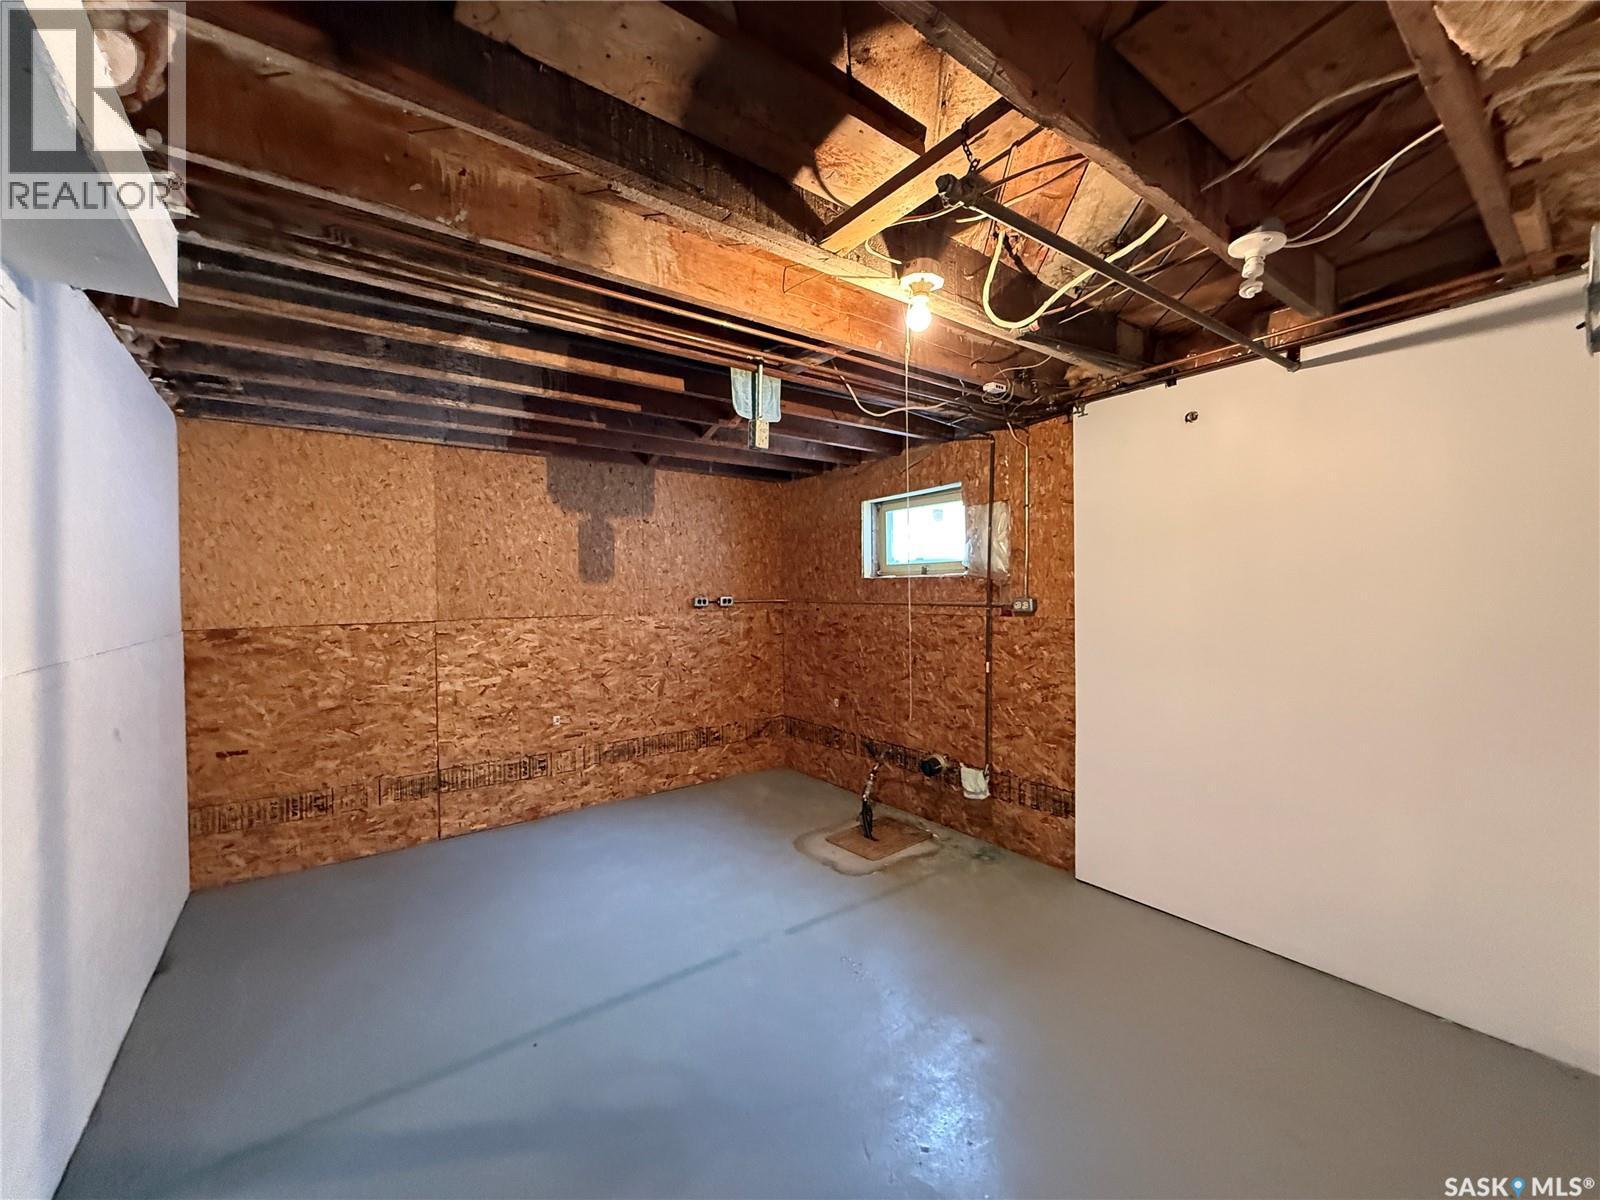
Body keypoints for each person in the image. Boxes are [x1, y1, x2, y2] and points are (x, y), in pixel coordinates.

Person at [859, 760, 882, 840]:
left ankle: (868, 831)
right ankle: (868, 833)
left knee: (867, 811)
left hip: (867, 796)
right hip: (866, 797)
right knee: (867, 812)